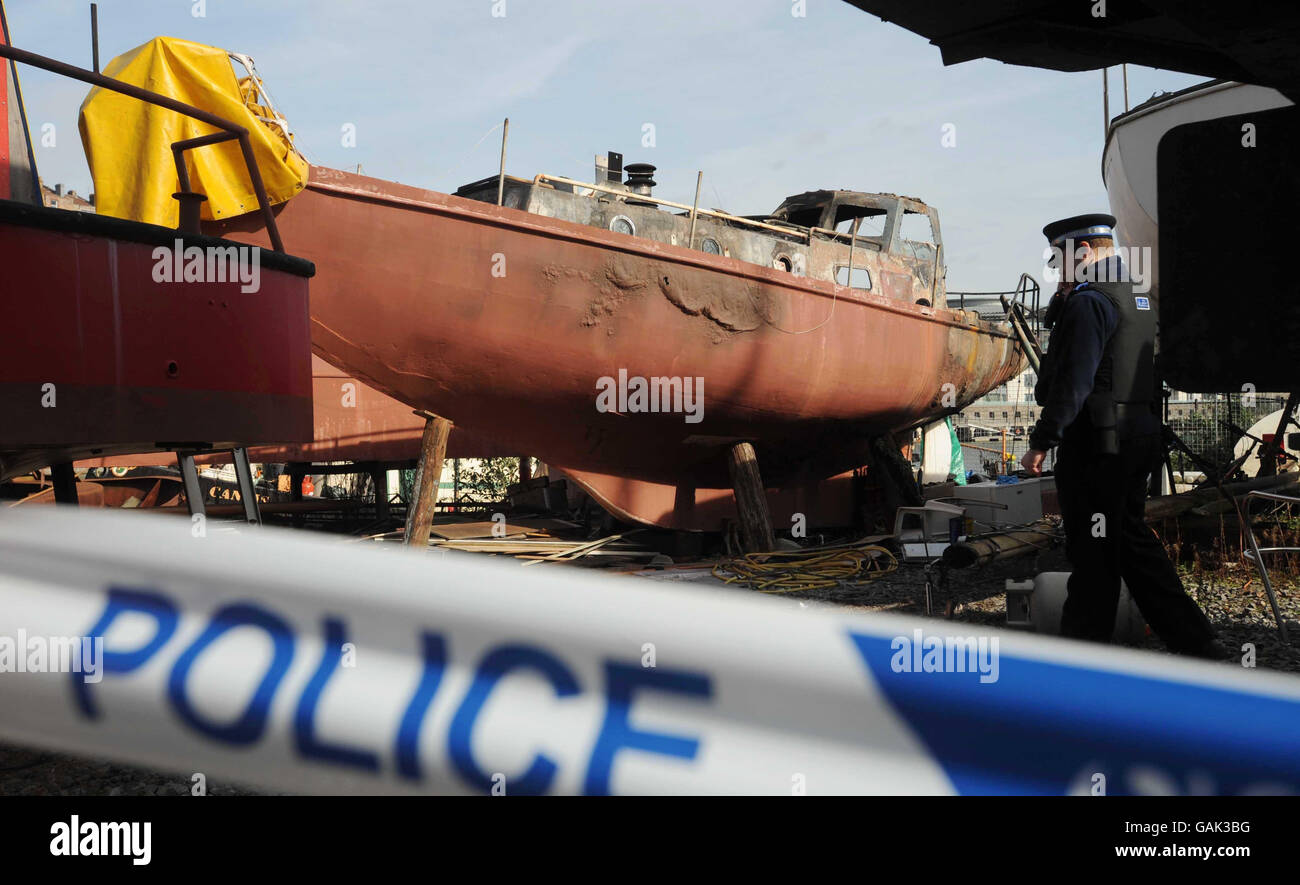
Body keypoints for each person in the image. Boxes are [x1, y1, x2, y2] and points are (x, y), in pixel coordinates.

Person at [1021, 214, 1227, 659]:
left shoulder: (1090, 303)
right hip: (1137, 436)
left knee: (1094, 552)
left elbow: (1072, 383)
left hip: (1097, 444)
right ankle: (1198, 642)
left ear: (1083, 252)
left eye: (1060, 261)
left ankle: (1083, 659)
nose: (1058, 271)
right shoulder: (1138, 296)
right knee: (1129, 543)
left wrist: (1042, 441)